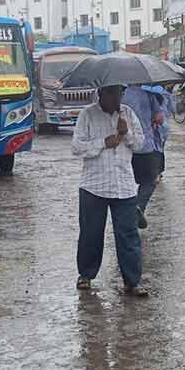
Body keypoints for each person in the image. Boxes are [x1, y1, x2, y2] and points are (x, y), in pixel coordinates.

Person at [72, 85, 148, 296]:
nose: (116, 98)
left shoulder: (129, 114)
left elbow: (141, 144)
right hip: (93, 185)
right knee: (90, 233)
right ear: (101, 94)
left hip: (123, 185)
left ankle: (132, 282)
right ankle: (86, 275)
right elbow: (76, 147)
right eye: (112, 93)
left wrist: (126, 133)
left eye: (119, 94)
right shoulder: (87, 114)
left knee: (128, 235)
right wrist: (103, 142)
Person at [122, 86, 167, 229]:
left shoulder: (118, 94)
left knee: (125, 182)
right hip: (145, 147)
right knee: (149, 181)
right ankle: (138, 206)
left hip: (123, 147)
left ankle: (126, 212)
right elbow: (159, 118)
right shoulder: (149, 95)